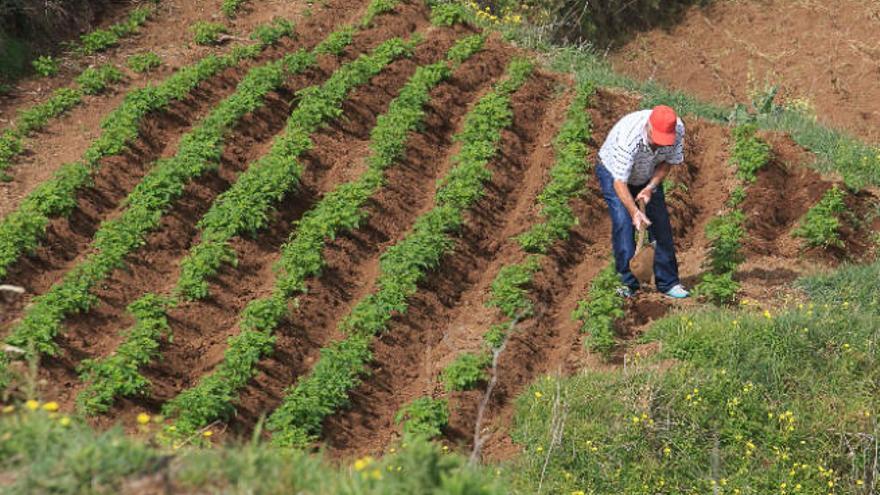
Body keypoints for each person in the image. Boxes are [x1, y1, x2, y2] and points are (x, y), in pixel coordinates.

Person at [595, 105, 689, 299]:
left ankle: (668, 282)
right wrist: (634, 212)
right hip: (614, 173)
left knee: (660, 223)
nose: (661, 145)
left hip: (647, 174)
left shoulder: (677, 129)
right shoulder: (629, 137)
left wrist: (650, 187)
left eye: (665, 141)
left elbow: (668, 162)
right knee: (623, 223)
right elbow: (619, 182)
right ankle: (627, 283)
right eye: (658, 139)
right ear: (648, 127)